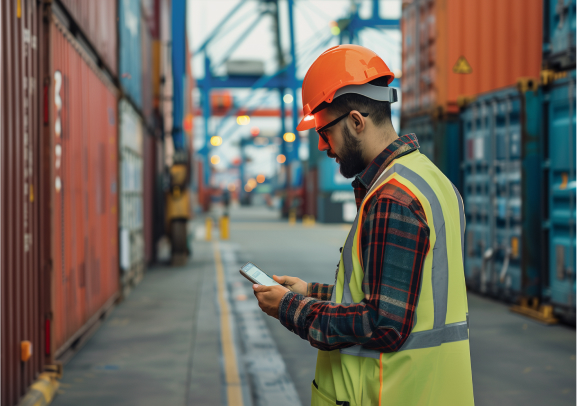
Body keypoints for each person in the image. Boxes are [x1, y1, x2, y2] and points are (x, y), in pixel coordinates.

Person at [252, 45, 474, 406]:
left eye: (325, 133)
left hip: (389, 394)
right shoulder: (431, 179)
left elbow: (383, 323)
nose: (323, 146)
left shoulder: (392, 198)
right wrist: (310, 291)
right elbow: (400, 296)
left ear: (357, 121)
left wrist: (290, 308)